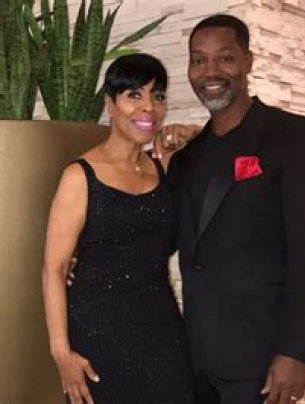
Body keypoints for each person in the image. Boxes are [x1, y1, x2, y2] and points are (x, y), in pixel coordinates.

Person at [166, 14, 305, 404]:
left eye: (225, 58)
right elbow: (166, 236)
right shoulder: (187, 157)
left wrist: (296, 351)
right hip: (195, 355)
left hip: (261, 357)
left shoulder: (295, 137)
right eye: (198, 60)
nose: (210, 71)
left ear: (248, 61)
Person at [42, 53, 196, 403]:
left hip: (162, 330)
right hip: (97, 335)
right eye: (134, 95)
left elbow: (216, 146)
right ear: (110, 105)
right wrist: (61, 353)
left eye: (158, 96)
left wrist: (190, 132)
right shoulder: (80, 176)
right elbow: (54, 269)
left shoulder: (163, 166)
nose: (148, 107)